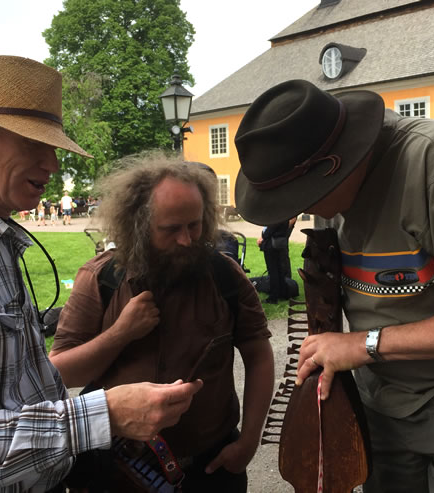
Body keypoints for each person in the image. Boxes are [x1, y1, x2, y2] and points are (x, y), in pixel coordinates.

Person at [0, 55, 202, 493]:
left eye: (53, 146)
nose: (53, 164)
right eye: (33, 143)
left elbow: (19, 388)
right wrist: (103, 414)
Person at [233, 79, 434, 492]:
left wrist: (362, 345)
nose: (301, 209)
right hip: (380, 397)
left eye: (302, 196)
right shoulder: (327, 187)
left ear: (335, 165)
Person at [49, 152, 275, 492]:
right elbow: (61, 371)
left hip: (211, 469)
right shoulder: (101, 279)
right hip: (120, 474)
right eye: (171, 229)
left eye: (195, 225)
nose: (187, 240)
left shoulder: (225, 276)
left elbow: (258, 354)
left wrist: (248, 443)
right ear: (138, 226)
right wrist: (120, 333)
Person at [258, 219, 291, 304]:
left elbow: (269, 231)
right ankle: (283, 292)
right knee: (279, 269)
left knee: (273, 271)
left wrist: (263, 236)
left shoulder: (276, 216)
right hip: (279, 244)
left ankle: (273, 297)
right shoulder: (286, 215)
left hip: (271, 245)